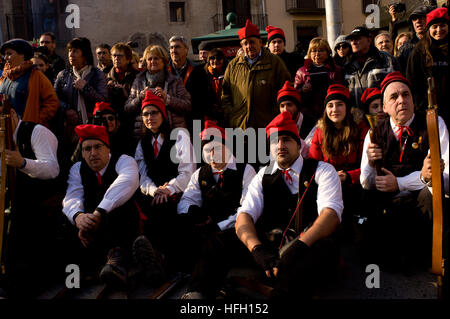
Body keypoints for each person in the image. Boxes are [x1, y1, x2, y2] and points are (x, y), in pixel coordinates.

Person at [235, 111, 343, 298]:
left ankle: (276, 291)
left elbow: (330, 215)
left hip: (308, 247)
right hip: (272, 246)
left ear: (299, 145)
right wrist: (257, 249)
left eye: (286, 140)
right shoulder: (263, 175)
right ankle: (197, 293)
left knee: (324, 249)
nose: (280, 146)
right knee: (219, 240)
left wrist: (298, 247)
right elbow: (244, 215)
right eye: (275, 141)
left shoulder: (323, 170)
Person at [360, 72, 449, 271]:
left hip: (420, 198)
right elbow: (366, 183)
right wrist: (370, 163)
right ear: (384, 107)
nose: (401, 100)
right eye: (394, 97)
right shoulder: (374, 132)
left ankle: (424, 253)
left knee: (431, 194)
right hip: (390, 200)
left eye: (405, 94)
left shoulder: (433, 123)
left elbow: (447, 177)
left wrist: (406, 182)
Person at [176, 120, 257, 299]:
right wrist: (191, 212)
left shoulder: (245, 171)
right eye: (207, 150)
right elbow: (187, 199)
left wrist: (219, 225)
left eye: (217, 148)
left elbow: (247, 207)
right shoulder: (200, 174)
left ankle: (195, 290)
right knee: (181, 225)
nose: (212, 154)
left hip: (234, 231)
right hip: (207, 227)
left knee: (215, 242)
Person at [62, 124, 140, 286]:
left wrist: (98, 213)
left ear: (107, 148)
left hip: (121, 225)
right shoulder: (78, 168)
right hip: (92, 229)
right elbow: (72, 196)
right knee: (66, 222)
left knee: (120, 207)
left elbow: (126, 182)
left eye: (98, 147)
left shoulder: (124, 160)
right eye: (87, 149)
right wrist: (79, 217)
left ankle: (118, 261)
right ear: (82, 153)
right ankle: (83, 271)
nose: (93, 153)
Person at [133, 90, 196, 283]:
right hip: (155, 192)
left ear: (163, 114)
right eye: (146, 114)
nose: (150, 118)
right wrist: (154, 190)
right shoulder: (142, 143)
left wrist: (169, 189)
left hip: (178, 189)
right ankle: (154, 259)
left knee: (167, 210)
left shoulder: (179, 137)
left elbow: (188, 171)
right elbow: (142, 174)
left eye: (154, 113)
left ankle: (171, 264)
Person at [0, 108, 62, 298]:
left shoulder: (37, 132)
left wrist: (23, 163)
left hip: (41, 204)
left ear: (11, 113)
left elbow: (52, 169)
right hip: (14, 204)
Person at [308, 84, 369, 241]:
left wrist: (349, 176)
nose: (334, 109)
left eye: (339, 104)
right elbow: (313, 164)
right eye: (330, 105)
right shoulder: (320, 131)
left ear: (348, 108)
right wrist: (330, 177)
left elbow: (367, 164)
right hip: (327, 180)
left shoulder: (361, 128)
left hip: (355, 181)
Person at [222, 19, 291, 130]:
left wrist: (276, 114)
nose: (249, 46)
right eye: (245, 43)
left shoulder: (275, 62)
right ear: (241, 46)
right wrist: (231, 114)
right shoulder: (233, 66)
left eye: (252, 42)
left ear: (260, 42)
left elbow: (285, 89)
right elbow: (225, 94)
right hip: (240, 126)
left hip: (268, 125)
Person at [54, 37, 108, 173]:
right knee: (72, 164)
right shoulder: (63, 75)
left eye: (75, 51)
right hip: (70, 128)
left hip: (92, 126)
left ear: (84, 54)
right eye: (69, 51)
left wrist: (86, 88)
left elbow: (103, 100)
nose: (71, 55)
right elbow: (54, 99)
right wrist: (67, 110)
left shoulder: (97, 74)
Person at [125, 44, 191, 145]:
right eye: (149, 59)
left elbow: (187, 105)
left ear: (163, 61)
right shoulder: (138, 81)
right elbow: (128, 108)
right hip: (145, 134)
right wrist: (140, 98)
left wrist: (167, 99)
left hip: (173, 132)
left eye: (156, 58)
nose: (152, 61)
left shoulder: (175, 80)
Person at [0, 38, 59, 127]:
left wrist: (35, 122)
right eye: (5, 54)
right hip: (7, 132)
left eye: (9, 54)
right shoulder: (5, 76)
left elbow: (52, 102)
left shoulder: (36, 76)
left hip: (27, 134)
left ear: (22, 55)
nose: (5, 57)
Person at [407, 7, 449, 126]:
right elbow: (412, 83)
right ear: (428, 29)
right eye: (434, 27)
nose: (439, 30)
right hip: (429, 113)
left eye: (442, 25)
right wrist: (422, 109)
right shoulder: (419, 52)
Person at [343, 26, 399, 108]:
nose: (354, 42)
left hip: (383, 114)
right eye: (351, 40)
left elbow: (397, 87)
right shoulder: (347, 67)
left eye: (357, 38)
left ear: (369, 40)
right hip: (358, 117)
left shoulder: (386, 59)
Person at [168, 35, 213, 132]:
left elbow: (205, 98)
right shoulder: (165, 71)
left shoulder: (198, 70)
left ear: (186, 49)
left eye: (177, 47)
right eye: (171, 47)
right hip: (171, 123)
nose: (173, 50)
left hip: (194, 122)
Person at [294, 37, 344, 120]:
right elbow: (295, 93)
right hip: (309, 113)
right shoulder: (302, 71)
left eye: (321, 50)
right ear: (309, 53)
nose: (317, 54)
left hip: (331, 111)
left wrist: (330, 84)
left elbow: (342, 89)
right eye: (314, 51)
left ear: (328, 53)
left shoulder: (336, 70)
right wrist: (303, 89)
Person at [277, 80, 316, 157]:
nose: (285, 110)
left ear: (297, 106)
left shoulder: (313, 124)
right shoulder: (276, 125)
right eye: (282, 106)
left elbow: (309, 152)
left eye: (289, 105)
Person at [106, 42, 139, 128]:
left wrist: (126, 94)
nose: (116, 58)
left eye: (120, 56)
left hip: (132, 121)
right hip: (112, 121)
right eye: (114, 56)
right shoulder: (106, 76)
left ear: (128, 59)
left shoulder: (137, 77)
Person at [204, 48, 228, 126]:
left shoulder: (229, 73)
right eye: (212, 58)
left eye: (218, 58)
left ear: (223, 60)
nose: (215, 60)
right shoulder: (203, 74)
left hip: (227, 114)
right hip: (209, 116)